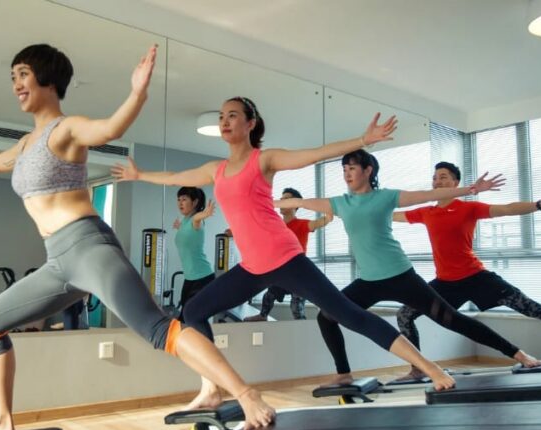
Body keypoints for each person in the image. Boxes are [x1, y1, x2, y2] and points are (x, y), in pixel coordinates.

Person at [0, 43, 274, 430]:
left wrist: (137, 93)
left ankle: (245, 393)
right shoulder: (25, 145)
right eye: (13, 77)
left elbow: (110, 129)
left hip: (88, 247)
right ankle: (0, 422)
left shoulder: (66, 129)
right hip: (57, 261)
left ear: (48, 79)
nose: (16, 85)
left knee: (157, 328)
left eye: (23, 74)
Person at [112, 96, 456, 412]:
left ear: (251, 123)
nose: (224, 121)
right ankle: (211, 387)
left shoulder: (265, 159)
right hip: (251, 266)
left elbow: (316, 153)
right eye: (221, 117)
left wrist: (363, 140)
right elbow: (174, 177)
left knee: (350, 315)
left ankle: (429, 367)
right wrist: (139, 174)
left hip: (286, 258)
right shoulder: (215, 170)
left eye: (233, 115)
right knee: (193, 310)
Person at [277, 150, 541, 387]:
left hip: (401, 276)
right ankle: (344, 374)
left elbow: (428, 195)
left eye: (352, 168)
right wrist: (263, 204)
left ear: (368, 171)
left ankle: (518, 354)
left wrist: (470, 190)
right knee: (326, 316)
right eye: (344, 169)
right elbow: (296, 203)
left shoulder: (386, 197)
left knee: (450, 319)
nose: (347, 174)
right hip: (368, 281)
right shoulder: (339, 203)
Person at [393, 161, 541, 353]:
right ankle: (418, 369)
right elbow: (392, 216)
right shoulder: (426, 212)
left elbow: (508, 209)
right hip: (445, 284)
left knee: (534, 308)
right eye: (434, 178)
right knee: (404, 314)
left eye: (443, 177)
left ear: (455, 183)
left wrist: (540, 205)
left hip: (477, 278)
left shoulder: (467, 209)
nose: (437, 182)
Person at [244, 187, 332, 321]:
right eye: (281, 199)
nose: (282, 202)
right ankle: (263, 316)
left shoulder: (301, 224)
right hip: (281, 272)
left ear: (295, 205)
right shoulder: (275, 225)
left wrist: (329, 215)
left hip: (299, 273)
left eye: (286, 199)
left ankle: (302, 327)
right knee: (269, 296)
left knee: (296, 309)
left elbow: (318, 223)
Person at [171, 186, 216, 317]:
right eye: (178, 199)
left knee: (189, 317)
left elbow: (198, 218)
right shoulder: (185, 221)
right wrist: (179, 228)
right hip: (190, 278)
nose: (180, 203)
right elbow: (188, 238)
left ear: (195, 202)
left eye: (184, 199)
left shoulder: (196, 219)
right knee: (184, 316)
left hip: (203, 278)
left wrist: (205, 213)